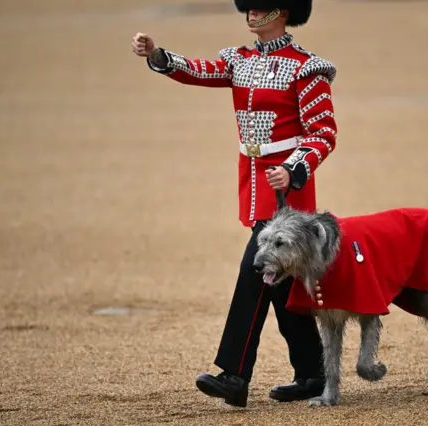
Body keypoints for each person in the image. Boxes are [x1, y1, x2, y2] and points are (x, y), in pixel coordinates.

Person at [131, 0, 338, 408]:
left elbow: (323, 132)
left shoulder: (306, 67)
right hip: (255, 181)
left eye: (259, 6)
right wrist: (159, 56)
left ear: (281, 11)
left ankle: (234, 374)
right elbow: (200, 70)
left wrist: (294, 168)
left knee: (256, 272)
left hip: (286, 193)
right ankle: (314, 373)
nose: (249, 12)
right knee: (280, 286)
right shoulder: (238, 60)